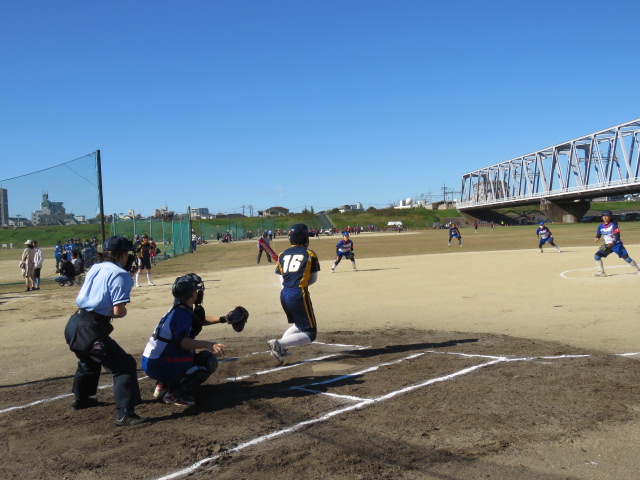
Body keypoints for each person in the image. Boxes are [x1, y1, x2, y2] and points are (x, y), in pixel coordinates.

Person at [63, 235, 146, 426]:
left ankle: (82, 398)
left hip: (73, 323)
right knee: (124, 365)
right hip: (90, 328)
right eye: (127, 253)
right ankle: (124, 414)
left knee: (88, 360)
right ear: (122, 254)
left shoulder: (96, 266)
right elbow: (118, 312)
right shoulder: (121, 275)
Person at [141, 273, 236, 406]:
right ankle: (173, 394)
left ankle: (163, 385)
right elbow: (183, 342)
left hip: (153, 360)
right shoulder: (181, 314)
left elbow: (198, 320)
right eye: (196, 290)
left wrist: (223, 319)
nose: (198, 292)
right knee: (206, 361)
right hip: (158, 363)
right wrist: (207, 344)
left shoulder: (179, 309)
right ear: (191, 294)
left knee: (189, 352)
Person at [268, 224, 320, 363]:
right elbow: (313, 279)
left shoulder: (282, 254)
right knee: (310, 333)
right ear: (304, 238)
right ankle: (279, 344)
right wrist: (299, 286)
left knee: (299, 324)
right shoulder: (310, 254)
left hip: (284, 293)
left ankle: (281, 348)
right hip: (299, 293)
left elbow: (282, 278)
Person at [593, 210, 640, 277]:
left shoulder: (613, 225)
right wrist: (597, 237)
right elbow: (599, 233)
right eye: (603, 216)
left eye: (607, 216)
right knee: (597, 256)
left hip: (617, 245)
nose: (605, 217)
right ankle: (602, 272)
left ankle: (638, 270)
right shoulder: (600, 226)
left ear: (610, 217)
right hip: (608, 246)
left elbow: (617, 236)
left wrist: (613, 242)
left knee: (626, 258)